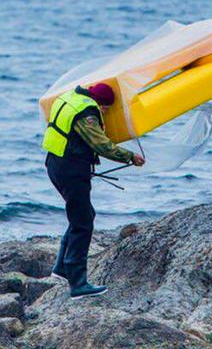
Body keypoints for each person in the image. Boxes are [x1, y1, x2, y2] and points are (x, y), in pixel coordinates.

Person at [41, 82, 145, 299]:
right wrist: (130, 156)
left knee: (82, 215)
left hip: (55, 164)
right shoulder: (87, 112)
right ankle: (78, 284)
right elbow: (101, 145)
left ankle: (61, 269)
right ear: (101, 103)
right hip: (70, 169)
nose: (104, 114)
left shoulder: (71, 97)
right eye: (106, 109)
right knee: (83, 223)